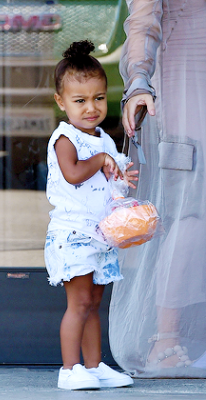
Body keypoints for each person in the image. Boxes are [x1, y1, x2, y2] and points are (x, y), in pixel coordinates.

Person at [109, 0, 206, 378]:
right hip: (186, 73)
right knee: (191, 206)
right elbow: (144, 18)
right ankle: (165, 341)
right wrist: (137, 81)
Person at [44, 40, 138, 390]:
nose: (91, 108)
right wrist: (101, 162)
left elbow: (108, 178)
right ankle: (70, 369)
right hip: (73, 234)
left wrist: (121, 176)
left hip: (99, 234)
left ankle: (94, 366)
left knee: (94, 302)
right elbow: (73, 173)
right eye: (79, 101)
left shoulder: (102, 139)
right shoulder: (66, 137)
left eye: (98, 98)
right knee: (79, 302)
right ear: (61, 102)